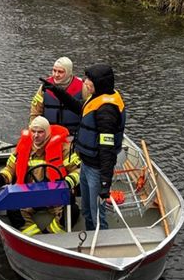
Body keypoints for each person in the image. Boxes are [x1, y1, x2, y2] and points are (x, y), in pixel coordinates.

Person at [40, 63, 125, 231]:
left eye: (89, 79)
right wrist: (56, 91)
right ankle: (89, 235)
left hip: (96, 169)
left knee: (96, 213)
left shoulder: (106, 111)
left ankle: (100, 243)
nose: (85, 82)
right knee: (86, 209)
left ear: (99, 83)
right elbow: (78, 107)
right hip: (86, 164)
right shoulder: (97, 97)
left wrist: (105, 182)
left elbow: (107, 150)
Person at [0, 116, 80, 236]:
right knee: (13, 210)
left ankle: (52, 234)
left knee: (72, 211)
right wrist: (1, 177)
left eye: (40, 132)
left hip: (55, 196)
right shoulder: (23, 147)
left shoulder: (64, 148)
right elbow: (10, 169)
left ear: (47, 132)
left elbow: (78, 171)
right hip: (29, 195)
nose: (36, 135)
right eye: (33, 131)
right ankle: (34, 237)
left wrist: (67, 182)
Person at [29, 56, 84, 130]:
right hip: (50, 133)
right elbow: (35, 112)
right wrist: (33, 129)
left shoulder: (82, 87)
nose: (56, 75)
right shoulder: (45, 87)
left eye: (60, 72)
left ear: (69, 72)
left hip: (73, 134)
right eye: (54, 71)